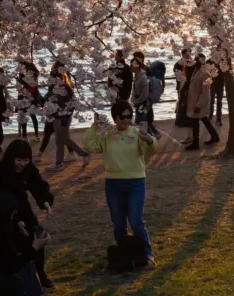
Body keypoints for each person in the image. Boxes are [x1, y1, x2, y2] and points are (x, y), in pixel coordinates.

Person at [83, 100, 158, 266]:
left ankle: (148, 253)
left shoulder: (137, 133)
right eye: (122, 116)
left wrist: (150, 140)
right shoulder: (108, 135)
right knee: (118, 222)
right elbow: (90, 145)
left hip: (136, 182)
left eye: (129, 116)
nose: (126, 120)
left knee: (136, 220)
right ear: (114, 118)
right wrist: (95, 126)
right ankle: (124, 253)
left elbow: (151, 150)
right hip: (114, 183)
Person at [0, 140, 54, 288]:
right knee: (13, 244)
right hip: (3, 213)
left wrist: (45, 201)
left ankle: (40, 274)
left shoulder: (29, 169)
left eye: (25, 160)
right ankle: (16, 276)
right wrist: (14, 220)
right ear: (11, 158)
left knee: (37, 236)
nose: (21, 164)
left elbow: (38, 185)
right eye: (18, 160)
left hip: (22, 207)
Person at [45, 61, 90, 171]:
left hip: (63, 117)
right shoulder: (58, 87)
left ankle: (83, 154)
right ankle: (58, 162)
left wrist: (64, 113)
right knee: (59, 140)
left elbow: (71, 103)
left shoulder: (64, 87)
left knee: (64, 139)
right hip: (57, 116)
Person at [186, 58, 220, 149]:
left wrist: (199, 105)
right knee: (204, 119)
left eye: (196, 61)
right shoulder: (196, 72)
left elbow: (206, 92)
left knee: (196, 121)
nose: (193, 62)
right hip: (194, 101)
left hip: (200, 102)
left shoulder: (205, 74)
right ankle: (214, 136)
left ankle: (196, 143)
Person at [16, 59, 42, 141]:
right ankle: (36, 135)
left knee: (23, 115)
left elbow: (22, 85)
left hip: (25, 96)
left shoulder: (24, 74)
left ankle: (24, 136)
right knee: (33, 116)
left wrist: (18, 80)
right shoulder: (34, 73)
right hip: (33, 97)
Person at [208, 58, 224, 126]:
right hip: (212, 85)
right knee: (211, 101)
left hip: (220, 85)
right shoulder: (210, 61)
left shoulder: (223, 62)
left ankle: (218, 119)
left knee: (219, 102)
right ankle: (210, 116)